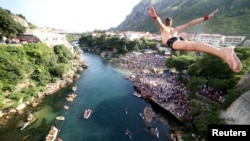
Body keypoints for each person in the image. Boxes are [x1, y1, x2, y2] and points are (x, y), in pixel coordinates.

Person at [148, 6, 242, 73]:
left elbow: (159, 22)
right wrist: (205, 18)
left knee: (193, 46)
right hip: (177, 39)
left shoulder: (164, 29)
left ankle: (223, 52)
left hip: (171, 42)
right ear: (171, 22)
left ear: (165, 22)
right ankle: (222, 53)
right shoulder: (175, 29)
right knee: (195, 46)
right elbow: (190, 23)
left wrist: (155, 17)